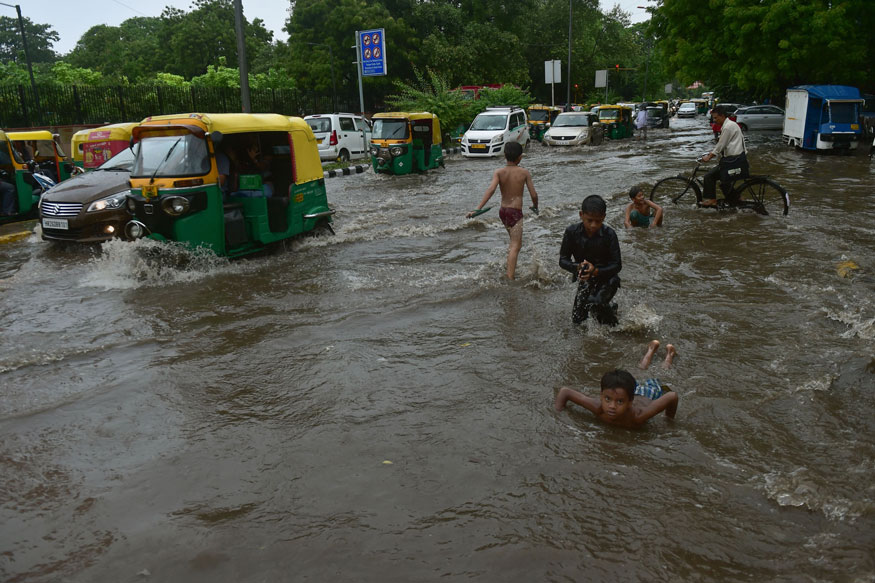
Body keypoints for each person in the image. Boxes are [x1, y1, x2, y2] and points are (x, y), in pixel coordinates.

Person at [554, 340, 679, 428]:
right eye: (607, 399)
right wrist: (557, 415)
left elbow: (672, 396)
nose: (612, 406)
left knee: (659, 376)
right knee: (640, 371)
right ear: (601, 396)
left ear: (630, 403)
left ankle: (669, 355)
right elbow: (565, 392)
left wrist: (668, 420)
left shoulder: (638, 417)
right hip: (625, 390)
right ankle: (651, 349)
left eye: (619, 402)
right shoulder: (598, 407)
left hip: (647, 393)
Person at [467, 141, 539, 280]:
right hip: (515, 213)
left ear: (505, 155)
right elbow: (534, 194)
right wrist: (536, 206)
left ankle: (509, 268)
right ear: (520, 157)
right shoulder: (524, 172)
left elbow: (491, 190)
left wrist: (477, 209)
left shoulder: (499, 172)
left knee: (512, 242)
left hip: (503, 212)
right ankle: (510, 277)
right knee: (516, 246)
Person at [559, 195, 621, 325]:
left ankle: (617, 327)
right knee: (577, 319)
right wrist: (577, 267)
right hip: (585, 278)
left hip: (608, 278)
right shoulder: (571, 232)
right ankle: (611, 308)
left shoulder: (609, 234)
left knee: (596, 303)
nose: (593, 225)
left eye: (598, 221)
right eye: (589, 220)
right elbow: (563, 260)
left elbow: (617, 265)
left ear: (604, 217)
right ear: (581, 215)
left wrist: (596, 271)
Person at [700, 104, 748, 207]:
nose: (714, 120)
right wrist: (711, 153)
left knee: (709, 176)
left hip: (733, 161)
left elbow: (720, 145)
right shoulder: (730, 125)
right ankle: (737, 199)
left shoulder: (727, 127)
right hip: (737, 159)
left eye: (716, 118)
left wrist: (709, 156)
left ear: (722, 116)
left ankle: (712, 200)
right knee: (724, 182)